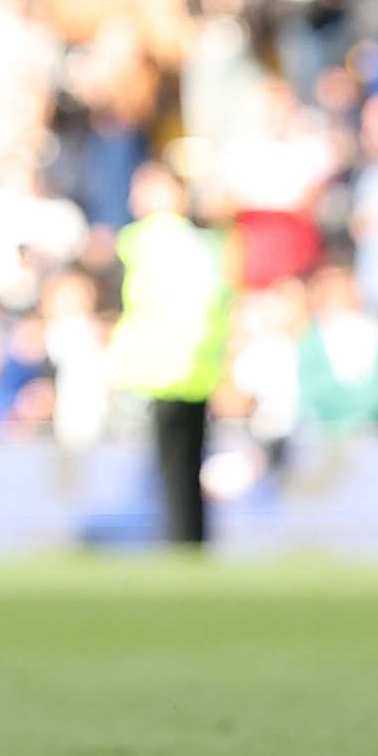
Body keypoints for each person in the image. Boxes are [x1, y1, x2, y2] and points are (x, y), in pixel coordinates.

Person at [108, 160, 233, 549]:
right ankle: (191, 542)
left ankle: (179, 542)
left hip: (159, 371)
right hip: (196, 371)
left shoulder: (143, 240)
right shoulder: (207, 243)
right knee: (187, 467)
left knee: (171, 468)